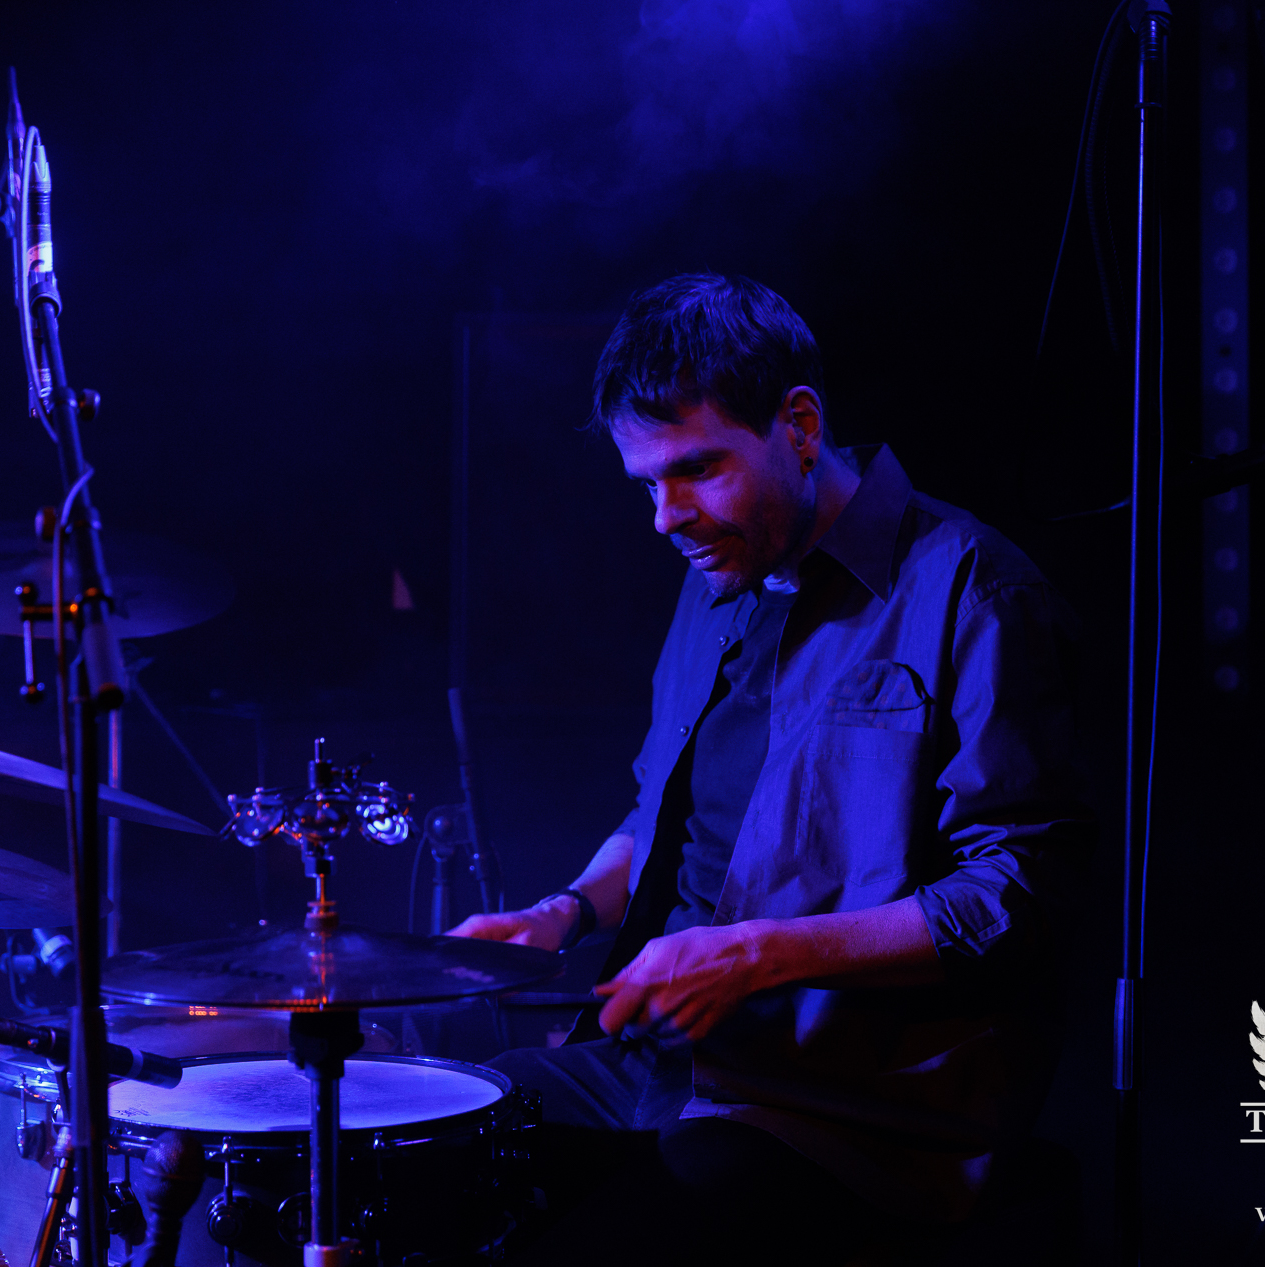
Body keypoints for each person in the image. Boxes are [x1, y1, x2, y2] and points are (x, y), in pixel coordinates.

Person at [450, 274, 1090, 1265]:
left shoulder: (975, 591)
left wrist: (755, 955)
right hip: (661, 1068)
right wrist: (564, 911)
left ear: (799, 426)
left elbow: (1016, 897)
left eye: (696, 469)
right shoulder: (718, 576)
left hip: (844, 1108)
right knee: (430, 1136)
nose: (666, 516)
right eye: (647, 484)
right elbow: (662, 814)